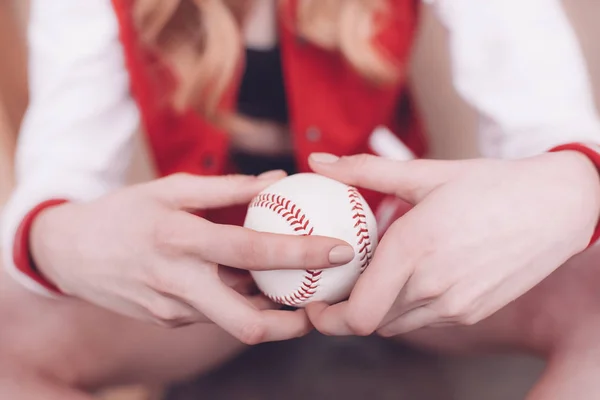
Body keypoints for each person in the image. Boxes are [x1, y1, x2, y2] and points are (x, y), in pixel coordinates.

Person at [2, 0, 600, 398]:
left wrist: (575, 183)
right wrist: (53, 237)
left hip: (389, 249)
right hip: (214, 274)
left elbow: (546, 120)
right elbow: (62, 168)